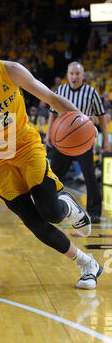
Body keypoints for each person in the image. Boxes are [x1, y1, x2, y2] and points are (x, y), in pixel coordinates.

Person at [0, 30, 103, 290]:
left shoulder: (11, 71)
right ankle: (87, 264)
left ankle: (68, 207)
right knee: (33, 222)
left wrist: (83, 120)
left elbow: (51, 99)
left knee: (51, 213)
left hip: (26, 145)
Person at [45, 61, 110, 224]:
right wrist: (48, 134)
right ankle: (50, 208)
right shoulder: (61, 90)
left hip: (83, 142)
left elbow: (101, 116)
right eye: (71, 74)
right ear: (67, 75)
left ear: (83, 76)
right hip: (63, 140)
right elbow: (52, 113)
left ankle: (94, 212)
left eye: (77, 74)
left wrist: (106, 140)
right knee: (53, 175)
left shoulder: (92, 92)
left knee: (90, 176)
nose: (74, 77)